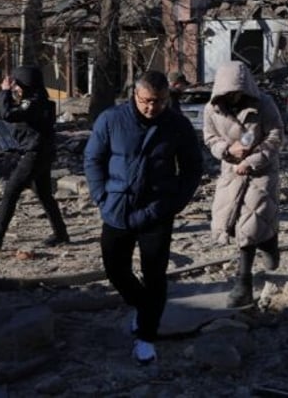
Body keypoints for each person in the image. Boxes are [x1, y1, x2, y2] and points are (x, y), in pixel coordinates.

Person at [84, 70, 203, 365]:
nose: (153, 107)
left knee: (155, 276)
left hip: (157, 211)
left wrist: (173, 204)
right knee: (115, 269)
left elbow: (192, 169)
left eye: (160, 101)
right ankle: (144, 307)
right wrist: (101, 196)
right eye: (147, 101)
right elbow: (93, 159)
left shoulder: (177, 125)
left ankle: (147, 337)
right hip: (117, 207)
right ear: (135, 95)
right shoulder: (111, 120)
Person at [203, 61, 284, 308]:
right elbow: (209, 138)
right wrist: (227, 149)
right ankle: (267, 241)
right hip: (231, 171)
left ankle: (243, 284)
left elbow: (276, 135)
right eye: (228, 92)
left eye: (237, 91)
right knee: (231, 222)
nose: (233, 96)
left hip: (261, 171)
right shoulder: (212, 109)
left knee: (249, 227)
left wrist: (253, 159)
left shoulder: (264, 104)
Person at [0, 66, 69, 249]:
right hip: (41, 152)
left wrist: (4, 93)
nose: (15, 88)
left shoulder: (33, 102)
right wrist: (10, 94)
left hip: (35, 153)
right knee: (44, 195)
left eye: (17, 84)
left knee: (11, 191)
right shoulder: (38, 100)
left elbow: (8, 114)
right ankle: (61, 233)